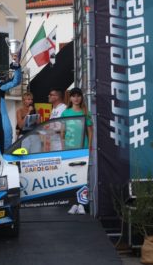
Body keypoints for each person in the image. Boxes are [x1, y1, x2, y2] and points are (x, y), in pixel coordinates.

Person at [62, 87, 93, 215]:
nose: (76, 98)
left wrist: (89, 147)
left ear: (81, 97)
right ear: (70, 98)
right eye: (73, 96)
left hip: (82, 149)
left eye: (78, 96)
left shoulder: (86, 112)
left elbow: (90, 132)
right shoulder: (65, 113)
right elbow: (62, 132)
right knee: (70, 177)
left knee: (83, 177)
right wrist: (63, 148)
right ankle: (73, 203)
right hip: (69, 149)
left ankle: (82, 204)